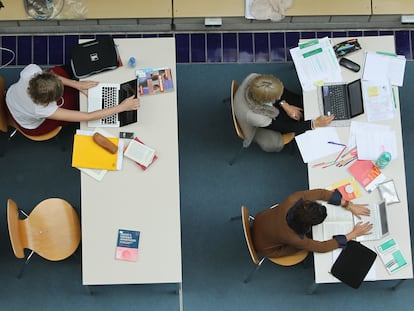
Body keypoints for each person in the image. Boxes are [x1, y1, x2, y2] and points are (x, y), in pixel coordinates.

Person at [5, 64, 140, 136]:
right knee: (74, 102)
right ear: (49, 102)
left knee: (60, 73)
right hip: (29, 125)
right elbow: (88, 116)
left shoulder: (31, 72)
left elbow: (50, 75)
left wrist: (76, 84)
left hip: (11, 98)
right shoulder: (43, 109)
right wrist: (122, 107)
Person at [251, 189, 373, 258]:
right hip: (268, 248)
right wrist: (353, 234)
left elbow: (321, 194)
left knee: (304, 244)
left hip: (261, 220)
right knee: (303, 249)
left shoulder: (293, 199)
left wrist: (348, 204)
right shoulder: (295, 238)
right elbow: (322, 247)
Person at [234, 73, 335, 143]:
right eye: (277, 97)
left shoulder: (255, 78)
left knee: (296, 101)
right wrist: (314, 123)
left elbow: (281, 94)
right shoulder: (255, 116)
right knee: (299, 124)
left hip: (258, 102)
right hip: (259, 119)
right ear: (267, 101)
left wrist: (285, 105)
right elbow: (284, 127)